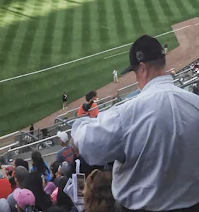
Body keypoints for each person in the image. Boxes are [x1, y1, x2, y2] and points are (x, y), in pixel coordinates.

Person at [72, 34, 199, 212]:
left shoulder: (128, 113)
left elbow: (88, 145)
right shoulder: (195, 103)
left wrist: (79, 123)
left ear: (143, 68)